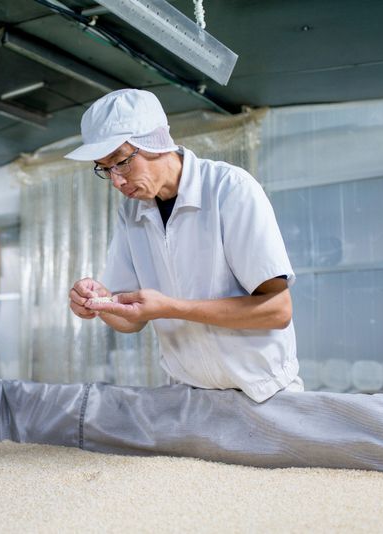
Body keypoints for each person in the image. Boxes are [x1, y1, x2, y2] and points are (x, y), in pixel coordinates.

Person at [65, 88, 302, 403]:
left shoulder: (229, 190)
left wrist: (172, 308)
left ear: (157, 141)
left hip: (263, 393)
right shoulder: (132, 212)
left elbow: (276, 310)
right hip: (189, 398)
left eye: (121, 162)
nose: (117, 181)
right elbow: (129, 319)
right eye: (105, 169)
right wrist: (99, 303)